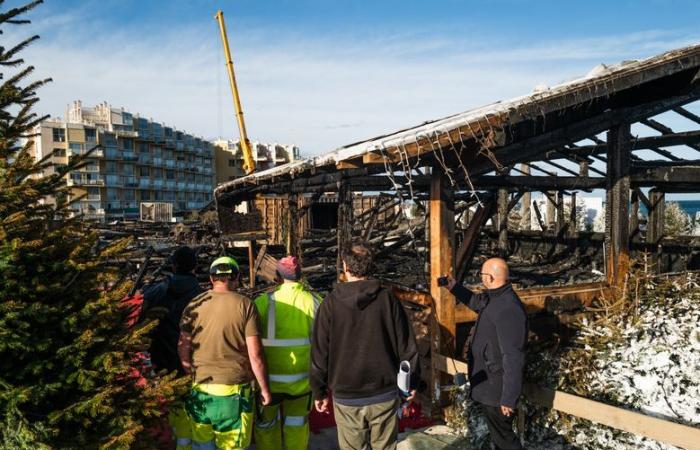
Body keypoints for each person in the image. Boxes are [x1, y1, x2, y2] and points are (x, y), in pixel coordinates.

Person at [311, 244, 420, 450]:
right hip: (384, 393)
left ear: (345, 266)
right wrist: (412, 382)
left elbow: (319, 353)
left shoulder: (330, 304)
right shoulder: (388, 299)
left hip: (347, 395)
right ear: (370, 266)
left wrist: (320, 391)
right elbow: (406, 345)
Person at [178, 256, 272, 450]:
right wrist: (264, 389)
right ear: (236, 277)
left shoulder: (194, 303)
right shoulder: (245, 305)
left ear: (212, 279)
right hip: (235, 394)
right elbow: (255, 355)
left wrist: (190, 374)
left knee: (202, 444)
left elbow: (183, 346)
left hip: (201, 391)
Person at [446, 257, 528, 450]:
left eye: (481, 275)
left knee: (505, 439)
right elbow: (476, 302)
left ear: (490, 277)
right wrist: (454, 287)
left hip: (496, 388)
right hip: (488, 384)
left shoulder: (509, 309)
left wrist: (509, 397)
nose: (480, 278)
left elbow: (514, 356)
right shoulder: (495, 296)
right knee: (499, 438)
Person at [253, 256, 322, 450]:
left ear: (277, 277)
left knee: (266, 425)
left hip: (268, 383)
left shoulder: (262, 303)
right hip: (302, 384)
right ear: (300, 276)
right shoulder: (315, 302)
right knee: (297, 426)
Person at [142, 246, 202, 375]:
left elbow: (143, 310)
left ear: (174, 266)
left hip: (161, 352)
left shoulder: (158, 290)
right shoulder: (201, 295)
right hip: (191, 353)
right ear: (195, 266)